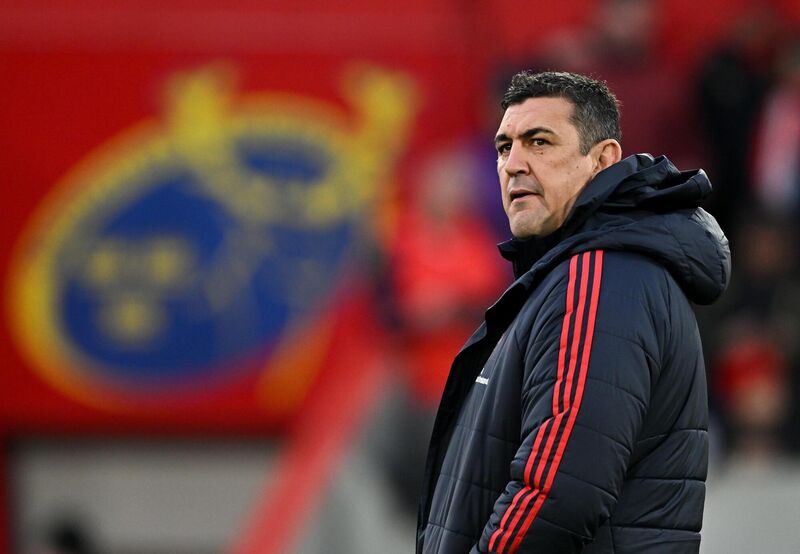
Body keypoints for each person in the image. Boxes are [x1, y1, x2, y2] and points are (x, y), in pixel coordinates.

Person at [416, 71, 730, 553]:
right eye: (503, 148)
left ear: (602, 159)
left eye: (539, 142)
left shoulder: (600, 274)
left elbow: (557, 491)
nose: (513, 164)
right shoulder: (574, 272)